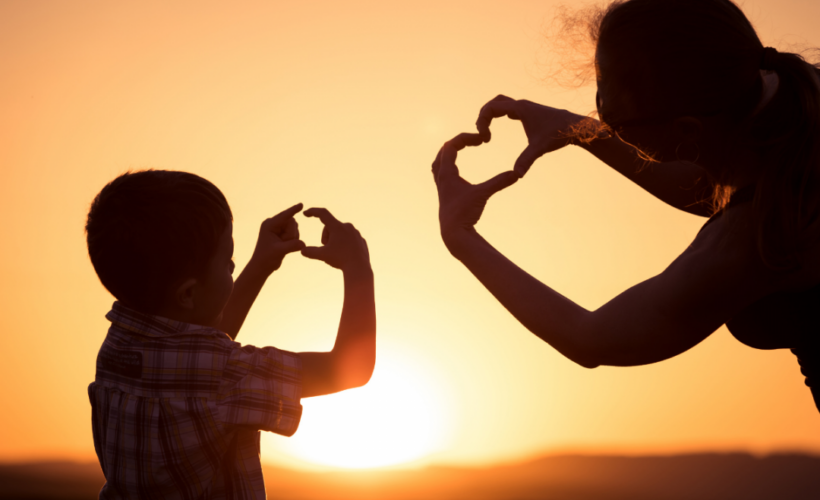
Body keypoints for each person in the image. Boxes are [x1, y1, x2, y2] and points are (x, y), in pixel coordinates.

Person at [432, 0, 820, 412]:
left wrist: (460, 235)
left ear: (688, 130)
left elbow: (591, 337)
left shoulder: (762, 235)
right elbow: (702, 184)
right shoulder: (797, 104)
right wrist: (579, 129)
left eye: (614, 119)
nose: (599, 108)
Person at [85, 170, 375, 498]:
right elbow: (351, 369)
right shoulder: (225, 376)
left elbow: (197, 347)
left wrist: (261, 265)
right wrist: (357, 266)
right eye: (227, 262)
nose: (234, 268)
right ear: (188, 294)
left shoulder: (118, 348)